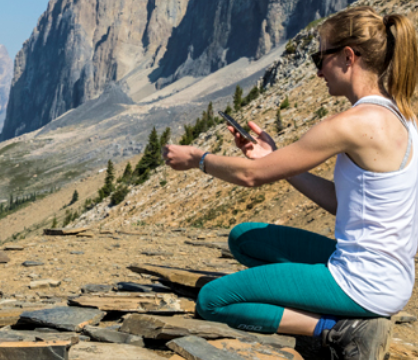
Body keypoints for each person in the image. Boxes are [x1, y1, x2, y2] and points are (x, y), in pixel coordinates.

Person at [163, 6, 417, 360]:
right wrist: (275, 158)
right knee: (245, 238)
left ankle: (337, 329)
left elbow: (250, 177)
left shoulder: (353, 124)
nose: (316, 71)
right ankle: (337, 311)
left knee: (213, 300)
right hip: (389, 275)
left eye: (321, 56)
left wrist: (198, 160)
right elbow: (344, 202)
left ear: (348, 56)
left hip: (363, 282)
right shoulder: (401, 116)